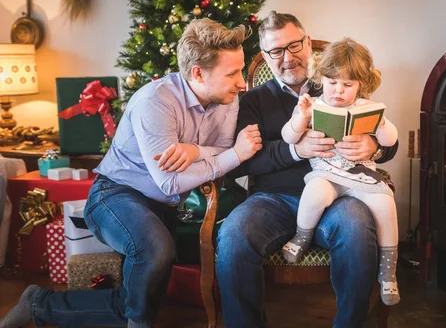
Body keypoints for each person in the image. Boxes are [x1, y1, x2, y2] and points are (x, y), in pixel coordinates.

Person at [0, 18, 262, 328]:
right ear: (198, 73)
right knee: (155, 251)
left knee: (137, 302)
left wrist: (193, 151)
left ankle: (38, 304)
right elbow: (172, 181)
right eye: (232, 73)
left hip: (161, 206)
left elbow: (217, 151)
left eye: (241, 70)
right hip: (114, 195)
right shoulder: (156, 101)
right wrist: (235, 154)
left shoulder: (226, 99)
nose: (242, 82)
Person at [216, 11, 399, 328]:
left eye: (294, 45)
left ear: (308, 43)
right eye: (276, 51)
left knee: (356, 226)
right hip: (273, 199)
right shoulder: (254, 101)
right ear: (265, 56)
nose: (287, 58)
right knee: (233, 234)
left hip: (340, 195)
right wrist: (294, 150)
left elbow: (387, 139)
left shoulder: (337, 86)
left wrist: (375, 147)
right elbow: (242, 162)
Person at [280, 37, 400, 306]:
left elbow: (391, 140)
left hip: (360, 175)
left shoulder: (366, 108)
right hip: (327, 174)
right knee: (314, 192)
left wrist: (380, 126)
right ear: (321, 78)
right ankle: (302, 236)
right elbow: (288, 136)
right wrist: (300, 118)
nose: (338, 91)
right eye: (333, 83)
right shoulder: (312, 105)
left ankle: (388, 273)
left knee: (386, 204)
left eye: (348, 85)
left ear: (361, 84)